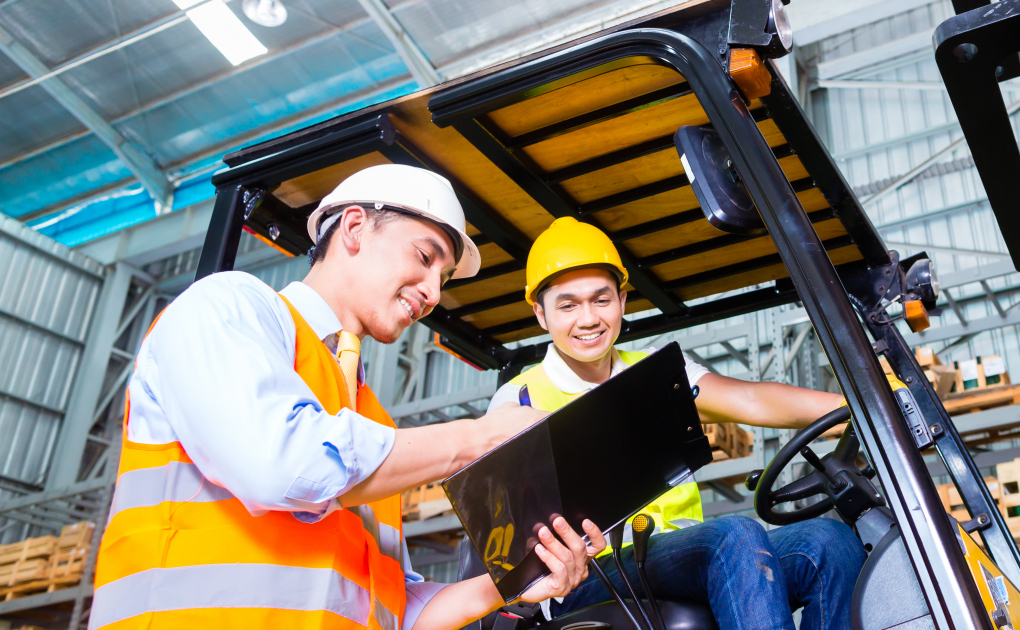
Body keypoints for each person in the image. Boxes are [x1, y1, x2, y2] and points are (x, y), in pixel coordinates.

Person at [92, 165, 604, 630]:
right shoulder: (228, 308)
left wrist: (514, 583)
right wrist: (477, 438)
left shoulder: (372, 423)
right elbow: (279, 464)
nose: (431, 292)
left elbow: (393, 608)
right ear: (355, 228)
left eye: (442, 279)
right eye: (425, 258)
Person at [473, 217, 867, 630]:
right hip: (589, 575)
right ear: (540, 313)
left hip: (687, 556)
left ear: (623, 301)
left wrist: (859, 403)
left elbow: (750, 397)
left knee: (830, 544)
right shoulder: (519, 399)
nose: (588, 319)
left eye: (601, 300)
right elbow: (505, 534)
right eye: (568, 305)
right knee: (734, 537)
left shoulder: (657, 372)